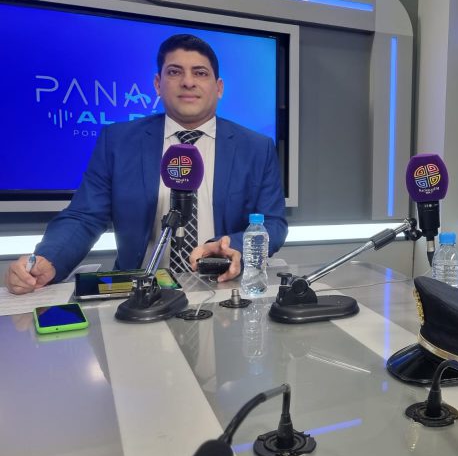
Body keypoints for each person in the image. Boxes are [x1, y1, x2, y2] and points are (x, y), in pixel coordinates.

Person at [5, 34, 287, 294]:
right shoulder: (118, 141)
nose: (188, 82)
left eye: (200, 73)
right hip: (140, 292)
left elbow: (273, 223)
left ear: (219, 87)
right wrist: (49, 259)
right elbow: (84, 216)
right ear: (157, 84)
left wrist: (232, 246)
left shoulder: (256, 147)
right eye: (174, 72)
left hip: (224, 288)